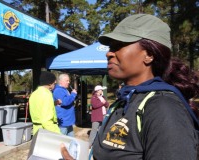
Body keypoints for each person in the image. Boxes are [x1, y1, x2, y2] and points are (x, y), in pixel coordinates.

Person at [61, 14, 199, 160]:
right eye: (110, 47)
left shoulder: (163, 107)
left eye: (118, 46)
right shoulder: (123, 101)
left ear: (149, 55)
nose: (108, 53)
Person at [29, 71, 61, 135]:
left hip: (36, 131)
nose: (55, 84)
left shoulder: (34, 94)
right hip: (46, 133)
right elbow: (46, 121)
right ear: (49, 83)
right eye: (54, 83)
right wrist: (58, 135)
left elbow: (39, 108)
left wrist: (53, 103)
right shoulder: (47, 94)